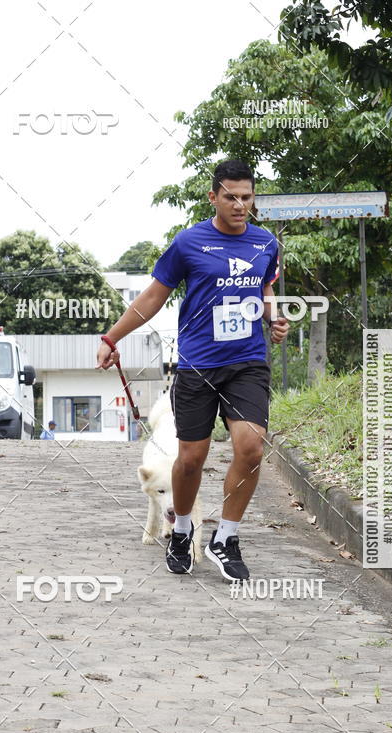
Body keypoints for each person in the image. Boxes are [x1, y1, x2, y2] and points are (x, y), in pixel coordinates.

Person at [96, 159, 289, 580]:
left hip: (247, 363)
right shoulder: (189, 243)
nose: (240, 205)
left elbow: (266, 289)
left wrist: (274, 318)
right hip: (199, 365)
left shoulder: (265, 243)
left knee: (251, 447)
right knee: (190, 459)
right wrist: (112, 338)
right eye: (231, 197)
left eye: (247, 198)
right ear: (214, 197)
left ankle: (226, 537)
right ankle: (182, 529)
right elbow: (151, 298)